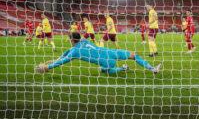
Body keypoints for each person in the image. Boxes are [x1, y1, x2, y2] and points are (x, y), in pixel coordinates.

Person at [34, 32, 162, 75]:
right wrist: (60, 56)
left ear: (73, 41)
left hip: (107, 62)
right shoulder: (83, 41)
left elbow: (63, 61)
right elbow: (67, 52)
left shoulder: (75, 52)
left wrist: (48, 67)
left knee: (102, 70)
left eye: (70, 39)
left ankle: (121, 68)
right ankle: (152, 68)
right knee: (134, 55)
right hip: (111, 52)